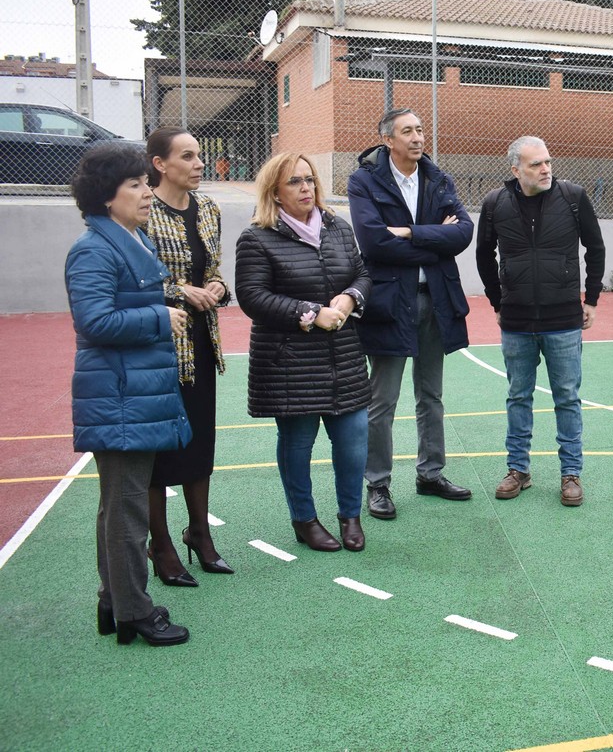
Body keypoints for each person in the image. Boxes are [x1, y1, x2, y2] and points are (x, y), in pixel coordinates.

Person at [66, 141, 193, 646]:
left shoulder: (129, 239)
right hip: (121, 396)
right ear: (106, 195)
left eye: (145, 182)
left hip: (132, 393)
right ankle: (134, 613)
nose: (146, 192)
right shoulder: (94, 249)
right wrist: (160, 317)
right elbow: (94, 321)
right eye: (135, 184)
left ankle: (113, 602)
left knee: (120, 506)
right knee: (126, 510)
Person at [235, 153, 372, 552]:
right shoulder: (257, 237)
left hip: (343, 357)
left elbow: (362, 273)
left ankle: (350, 516)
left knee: (353, 441)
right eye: (294, 181)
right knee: (297, 445)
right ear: (275, 192)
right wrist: (310, 313)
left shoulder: (337, 226)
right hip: (289, 363)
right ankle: (305, 520)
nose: (306, 187)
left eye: (309, 179)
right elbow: (252, 296)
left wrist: (351, 297)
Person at [347, 108, 474, 520]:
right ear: (388, 140)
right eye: (408, 131)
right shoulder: (364, 181)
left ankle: (430, 474)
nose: (418, 137)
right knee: (382, 400)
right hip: (390, 303)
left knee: (431, 395)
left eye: (420, 129)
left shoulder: (438, 178)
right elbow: (374, 243)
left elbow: (463, 232)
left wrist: (410, 232)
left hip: (435, 299)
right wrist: (435, 241)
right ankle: (377, 484)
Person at [476, 136, 605, 506]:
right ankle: (518, 469)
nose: (546, 169)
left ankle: (571, 474)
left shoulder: (573, 197)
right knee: (518, 396)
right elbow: (483, 255)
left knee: (567, 398)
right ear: (516, 170)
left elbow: (595, 248)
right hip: (516, 320)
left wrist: (591, 299)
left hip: (563, 318)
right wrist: (497, 302)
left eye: (548, 161)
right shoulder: (495, 203)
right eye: (536, 164)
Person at [144, 128, 232, 587]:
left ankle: (199, 533)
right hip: (159, 346)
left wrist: (217, 286)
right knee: (160, 451)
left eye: (199, 155)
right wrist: (180, 291)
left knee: (200, 442)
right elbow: (135, 282)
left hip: (200, 340)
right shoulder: (143, 211)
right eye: (187, 156)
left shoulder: (209, 209)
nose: (199, 163)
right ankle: (160, 545)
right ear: (159, 164)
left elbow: (212, 270)